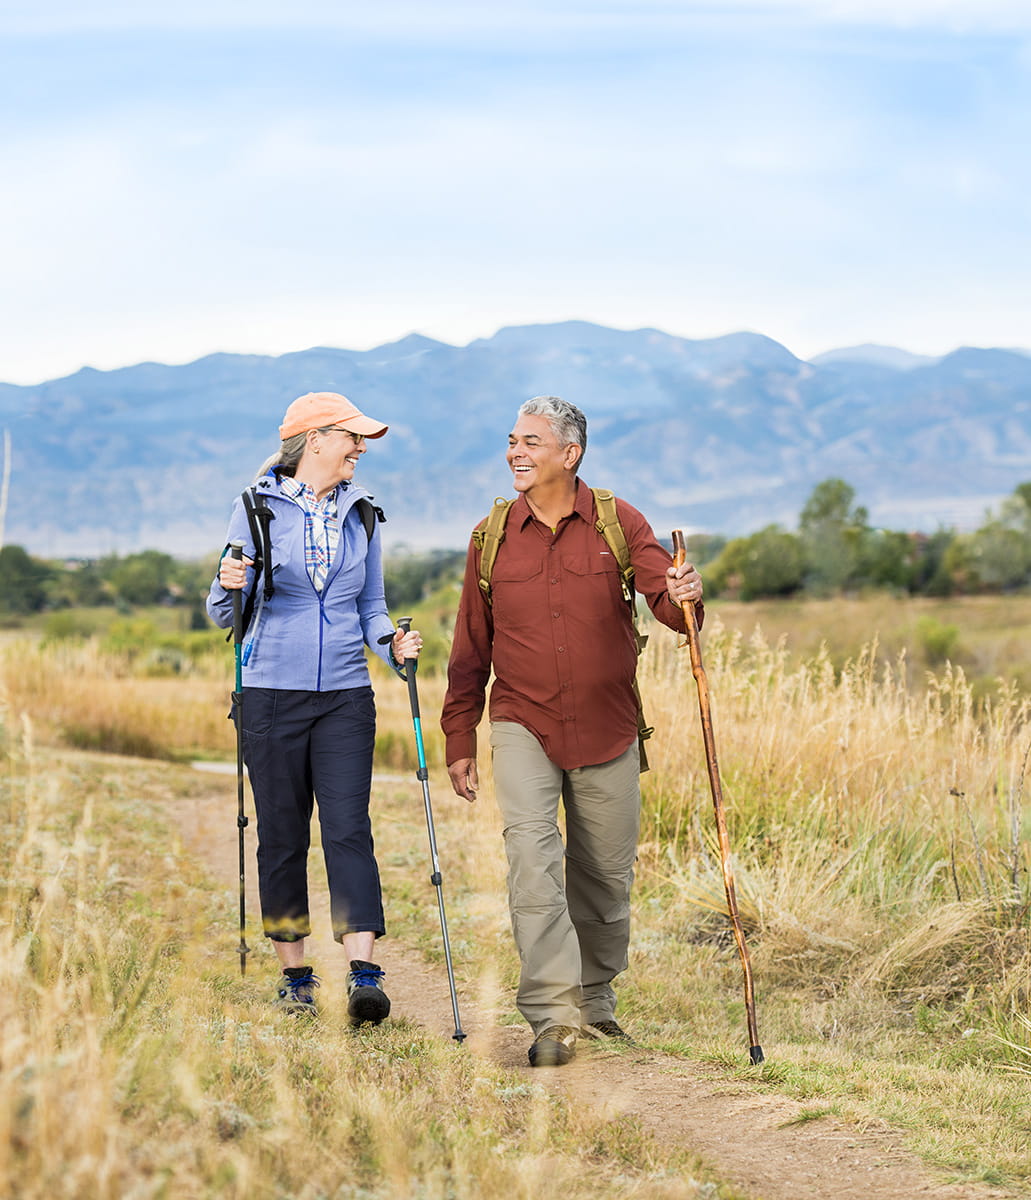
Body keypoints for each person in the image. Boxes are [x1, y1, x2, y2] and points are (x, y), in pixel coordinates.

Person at [441, 395, 703, 1067]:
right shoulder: (489, 537)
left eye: (529, 442)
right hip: (521, 721)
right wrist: (458, 735)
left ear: (569, 453)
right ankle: (552, 1018)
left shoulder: (619, 522)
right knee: (533, 864)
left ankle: (594, 1003)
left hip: (609, 727)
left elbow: (668, 607)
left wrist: (685, 596)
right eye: (510, 441)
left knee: (604, 879)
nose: (514, 453)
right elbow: (470, 644)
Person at [207, 390, 422, 1024]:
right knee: (281, 836)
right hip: (270, 692)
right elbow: (225, 613)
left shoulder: (362, 515)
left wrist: (393, 645)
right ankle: (295, 976)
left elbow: (371, 610)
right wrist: (226, 585)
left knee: (350, 828)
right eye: (352, 437)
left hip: (346, 698)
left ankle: (363, 973)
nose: (360, 448)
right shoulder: (255, 508)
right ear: (316, 440)